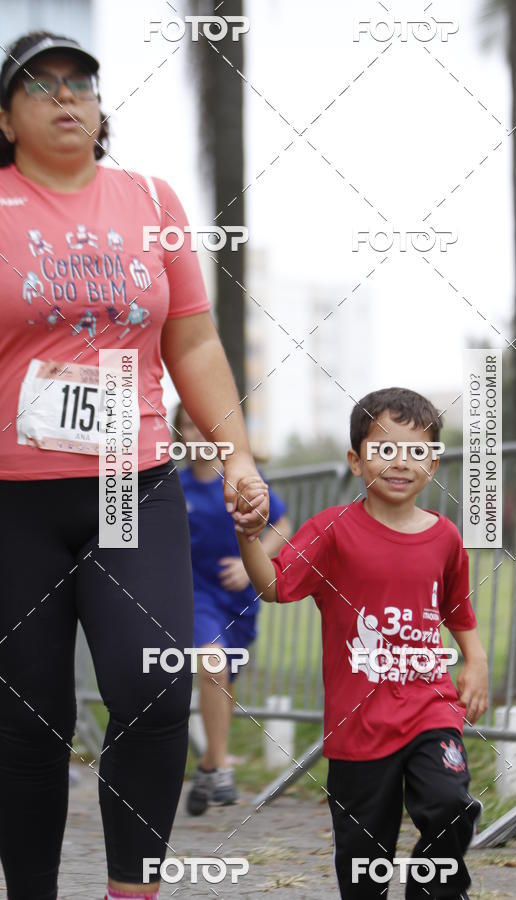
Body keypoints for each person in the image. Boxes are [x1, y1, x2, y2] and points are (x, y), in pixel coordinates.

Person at [0, 31, 267, 900]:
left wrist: (235, 452)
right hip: (12, 500)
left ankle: (132, 891)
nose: (65, 97)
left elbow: (191, 336)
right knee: (29, 720)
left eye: (80, 83)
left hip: (128, 478)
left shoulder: (151, 198)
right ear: (7, 118)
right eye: (40, 87)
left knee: (153, 694)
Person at [234, 387, 489, 900]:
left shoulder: (445, 537)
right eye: (384, 448)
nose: (401, 462)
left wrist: (476, 659)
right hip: (359, 726)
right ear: (356, 460)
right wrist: (249, 536)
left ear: (434, 463)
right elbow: (275, 586)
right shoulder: (331, 531)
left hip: (429, 707)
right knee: (363, 863)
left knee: (450, 804)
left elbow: (457, 607)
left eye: (417, 450)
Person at [172, 404, 291, 814]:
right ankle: (221, 766)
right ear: (179, 433)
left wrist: (249, 564)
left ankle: (207, 767)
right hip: (195, 596)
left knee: (223, 680)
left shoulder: (241, 482)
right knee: (212, 664)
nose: (199, 433)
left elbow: (282, 524)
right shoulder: (173, 488)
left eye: (207, 424)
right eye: (190, 424)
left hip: (239, 602)